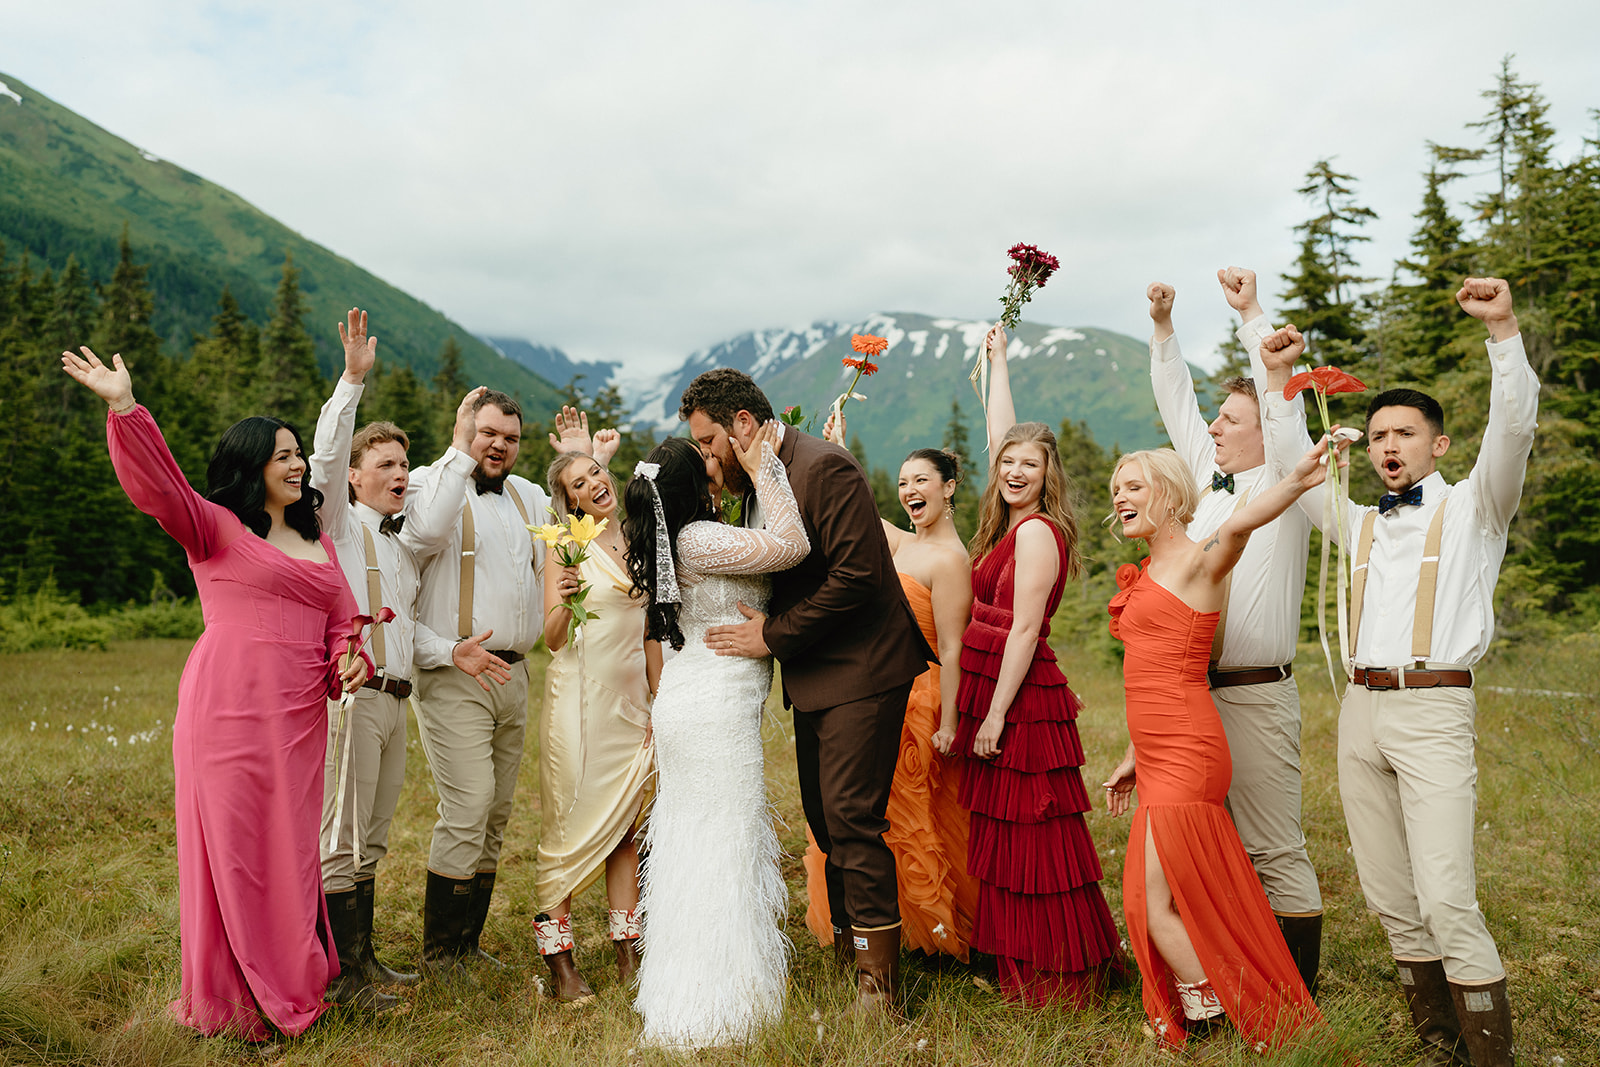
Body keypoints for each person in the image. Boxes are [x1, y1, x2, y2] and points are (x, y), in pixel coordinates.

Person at [1255, 277, 1535, 1067]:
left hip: (1435, 707)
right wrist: (1277, 380)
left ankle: (1490, 1054)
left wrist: (1503, 332)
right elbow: (1294, 470)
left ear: (1436, 445)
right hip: (1361, 712)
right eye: (1378, 434)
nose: (1387, 446)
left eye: (1404, 434)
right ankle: (1436, 1040)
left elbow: (1512, 433)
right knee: (1388, 892)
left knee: (1447, 893)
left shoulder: (1476, 507)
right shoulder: (1359, 519)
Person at [62, 345, 369, 1041]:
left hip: (296, 719)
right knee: (231, 849)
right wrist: (124, 407)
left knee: (289, 851)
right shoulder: (215, 529)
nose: (296, 465)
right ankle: (231, 1000)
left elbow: (340, 620)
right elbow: (162, 489)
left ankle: (290, 982)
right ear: (251, 464)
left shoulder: (317, 540)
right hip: (226, 707)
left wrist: (349, 657)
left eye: (299, 454)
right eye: (283, 455)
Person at [687, 368, 932, 1013]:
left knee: (852, 817)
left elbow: (856, 574)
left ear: (743, 424)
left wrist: (773, 636)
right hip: (816, 675)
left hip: (865, 665)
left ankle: (879, 988)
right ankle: (857, 946)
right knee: (825, 822)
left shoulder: (824, 468)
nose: (709, 460)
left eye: (710, 443)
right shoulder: (759, 478)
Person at [1103, 438, 1342, 1050]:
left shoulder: (1197, 561)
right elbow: (1147, 672)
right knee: (1157, 897)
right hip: (1156, 750)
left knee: (1151, 904)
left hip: (1187, 747)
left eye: (1133, 486)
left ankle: (1228, 1007)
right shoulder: (1153, 571)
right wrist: (1135, 753)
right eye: (1116, 489)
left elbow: (1238, 524)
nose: (1120, 497)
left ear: (1170, 493)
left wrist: (1293, 480)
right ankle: (1215, 1011)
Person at [1146, 273, 1324, 993]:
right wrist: (1163, 325)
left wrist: (1252, 314)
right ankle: (1232, 970)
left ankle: (1298, 992)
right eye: (1215, 420)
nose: (1214, 428)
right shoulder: (1206, 477)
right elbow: (1177, 401)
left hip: (1254, 695)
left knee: (1274, 845)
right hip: (1192, 699)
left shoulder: (1286, 479)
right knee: (1208, 843)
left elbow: (1285, 407)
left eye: (1230, 419)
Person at [308, 309, 479, 1008]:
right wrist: (351, 382)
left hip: (397, 695)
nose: (401, 473)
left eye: (406, 464)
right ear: (354, 478)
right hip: (352, 698)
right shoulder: (338, 527)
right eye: (386, 464)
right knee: (340, 834)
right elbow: (324, 456)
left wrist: (450, 649)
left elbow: (403, 629)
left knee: (372, 835)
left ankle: (364, 960)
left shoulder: (402, 547)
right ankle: (339, 976)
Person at [623, 428, 810, 1047]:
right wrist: (767, 469)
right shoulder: (700, 539)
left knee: (692, 841)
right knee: (721, 843)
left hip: (688, 696)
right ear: (688, 483)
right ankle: (719, 998)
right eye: (704, 457)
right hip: (714, 707)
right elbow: (792, 544)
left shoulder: (667, 539)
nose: (715, 459)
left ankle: (702, 983)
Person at [403, 393, 602, 976]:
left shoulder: (528, 497)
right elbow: (421, 532)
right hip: (455, 670)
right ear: (463, 427)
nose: (499, 445)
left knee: (496, 813)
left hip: (515, 672)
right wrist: (458, 454)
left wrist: (581, 458)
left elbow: (578, 533)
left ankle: (467, 945)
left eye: (510, 438)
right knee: (467, 806)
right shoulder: (431, 483)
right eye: (488, 433)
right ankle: (441, 956)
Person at [953, 325, 1121, 1007]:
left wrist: (994, 713)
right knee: (1008, 835)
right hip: (999, 688)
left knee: (1036, 836)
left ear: (1050, 473)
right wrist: (998, 361)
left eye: (1031, 463)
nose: (1016, 470)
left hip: (1018, 698)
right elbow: (1000, 435)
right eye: (1008, 462)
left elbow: (1025, 627)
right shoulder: (1007, 520)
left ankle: (1056, 972)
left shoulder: (1035, 533)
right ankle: (1020, 961)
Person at [802, 413, 979, 962]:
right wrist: (840, 452)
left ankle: (929, 931)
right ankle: (880, 928)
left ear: (948, 487)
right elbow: (862, 517)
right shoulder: (904, 544)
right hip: (879, 690)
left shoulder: (950, 559)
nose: (909, 491)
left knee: (911, 817)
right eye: (903, 483)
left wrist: (950, 721)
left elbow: (952, 649)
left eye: (921, 481)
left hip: (924, 696)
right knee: (870, 814)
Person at [533, 450, 658, 1002]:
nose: (593, 484)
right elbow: (553, 639)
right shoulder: (566, 547)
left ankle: (628, 952)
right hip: (579, 703)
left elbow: (652, 628)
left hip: (632, 703)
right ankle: (560, 963)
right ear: (571, 500)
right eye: (578, 483)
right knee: (565, 830)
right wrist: (563, 600)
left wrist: (660, 700)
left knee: (625, 827)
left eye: (596, 473)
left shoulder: (638, 537)